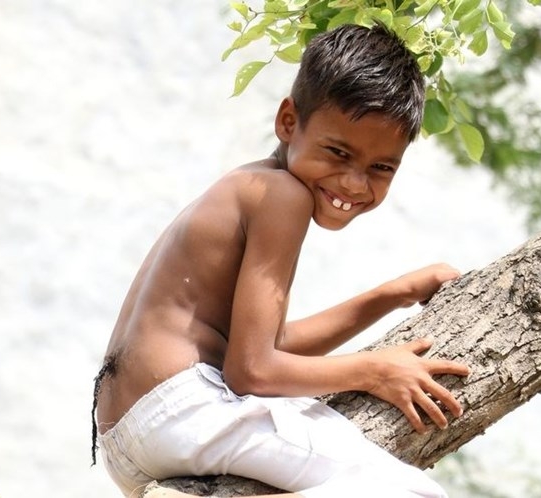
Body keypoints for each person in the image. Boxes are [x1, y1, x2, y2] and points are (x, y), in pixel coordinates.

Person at [92, 23, 470, 498]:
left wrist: (390, 295)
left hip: (134, 433)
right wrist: (375, 369)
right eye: (338, 152)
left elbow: (266, 346)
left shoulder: (250, 185)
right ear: (288, 121)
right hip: (180, 413)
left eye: (381, 167)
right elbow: (253, 371)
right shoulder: (282, 197)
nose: (355, 184)